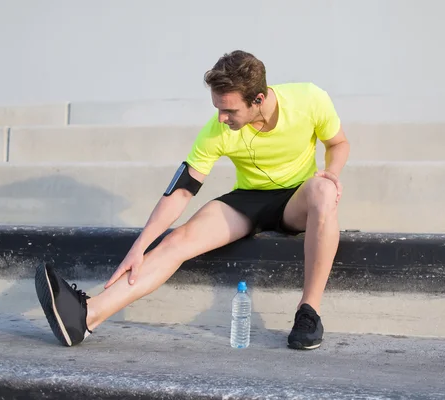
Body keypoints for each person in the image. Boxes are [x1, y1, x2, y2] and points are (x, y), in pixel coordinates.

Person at [34, 50, 350, 350]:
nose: (222, 117)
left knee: (324, 191)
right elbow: (182, 190)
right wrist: (141, 245)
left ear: (259, 99)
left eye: (229, 110)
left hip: (296, 198)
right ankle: (85, 317)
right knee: (177, 240)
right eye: (217, 109)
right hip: (248, 200)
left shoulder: (309, 99)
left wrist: (331, 173)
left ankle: (308, 312)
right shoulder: (217, 130)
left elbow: (338, 143)